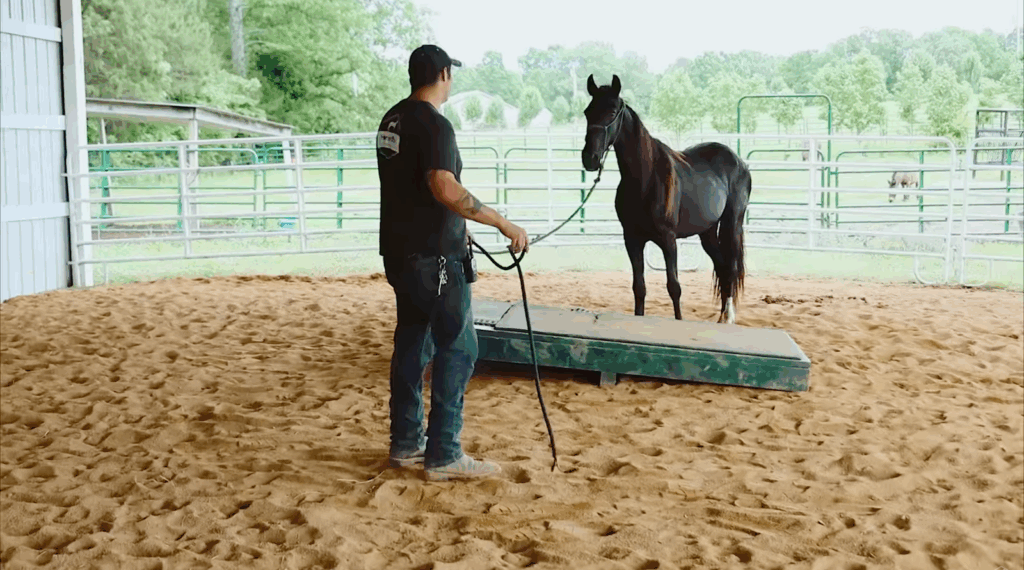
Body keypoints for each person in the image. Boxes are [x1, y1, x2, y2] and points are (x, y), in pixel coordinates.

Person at [375, 44, 530, 481]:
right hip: (435, 258)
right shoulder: (435, 124)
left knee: (412, 343)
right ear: (443, 74)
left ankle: (406, 442)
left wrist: (458, 226)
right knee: (459, 346)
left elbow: (412, 190)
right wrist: (501, 222)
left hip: (400, 252)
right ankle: (444, 452)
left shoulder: (393, 119)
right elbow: (443, 185)